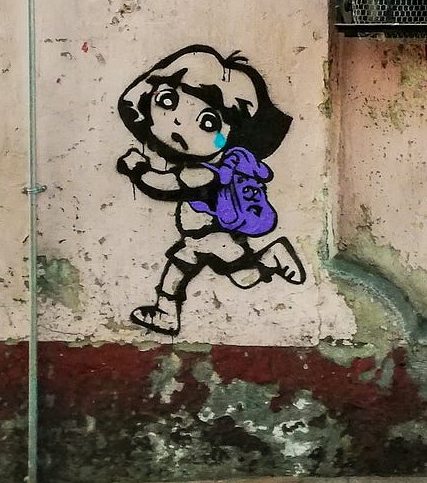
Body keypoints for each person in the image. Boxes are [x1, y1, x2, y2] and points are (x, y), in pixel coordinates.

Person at [116, 46, 307, 335]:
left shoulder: (203, 172)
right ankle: (166, 315)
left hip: (213, 239)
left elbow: (162, 186)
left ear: (232, 135)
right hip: (197, 238)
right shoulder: (205, 166)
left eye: (208, 122)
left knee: (244, 278)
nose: (179, 121)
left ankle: (273, 257)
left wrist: (137, 169)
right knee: (176, 270)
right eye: (168, 100)